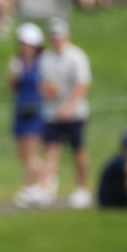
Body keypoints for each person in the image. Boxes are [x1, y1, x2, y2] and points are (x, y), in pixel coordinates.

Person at [37, 17, 92, 208]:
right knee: (51, 150)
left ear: (66, 36)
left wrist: (67, 107)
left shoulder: (77, 56)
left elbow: (82, 85)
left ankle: (82, 188)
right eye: (53, 36)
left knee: (77, 150)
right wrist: (46, 91)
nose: (56, 39)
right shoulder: (46, 57)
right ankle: (47, 188)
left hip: (75, 112)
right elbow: (44, 84)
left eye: (58, 36)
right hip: (52, 112)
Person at [8, 22, 46, 208]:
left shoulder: (43, 62)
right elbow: (11, 86)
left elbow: (47, 87)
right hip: (20, 109)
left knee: (31, 152)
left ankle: (27, 188)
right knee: (21, 152)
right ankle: (46, 179)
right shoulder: (16, 62)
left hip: (36, 110)